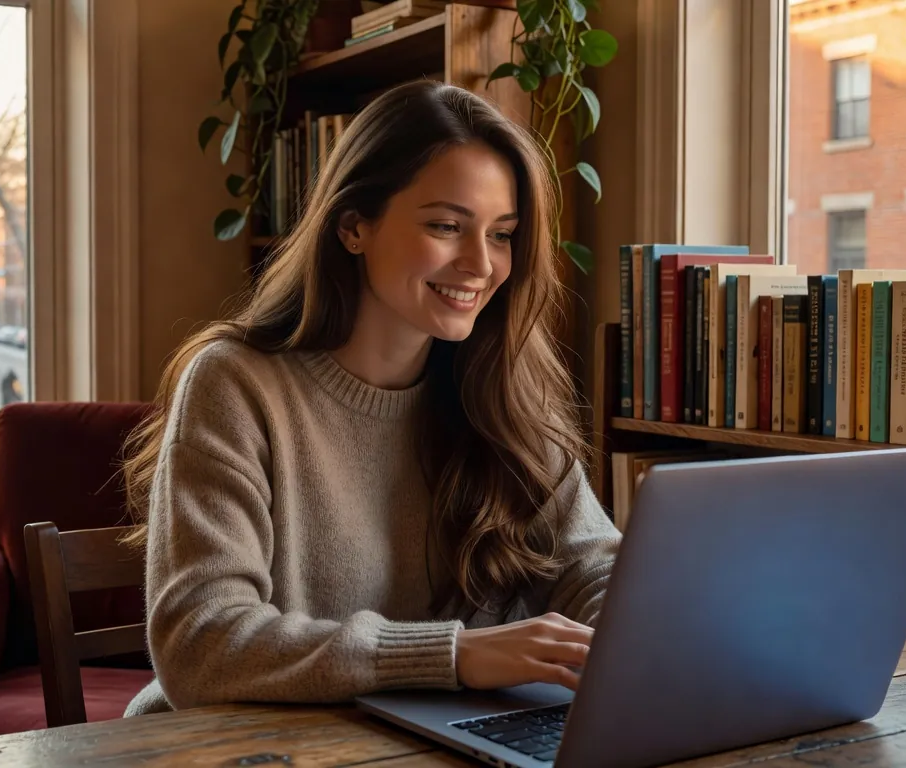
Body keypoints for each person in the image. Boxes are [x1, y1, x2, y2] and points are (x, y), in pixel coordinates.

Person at [119, 80, 621, 718]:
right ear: (354, 226)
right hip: (231, 749)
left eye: (501, 234)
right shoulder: (236, 385)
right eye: (446, 225)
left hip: (420, 741)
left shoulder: (503, 389)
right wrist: (454, 656)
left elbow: (595, 565)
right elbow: (201, 644)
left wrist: (623, 633)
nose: (481, 263)